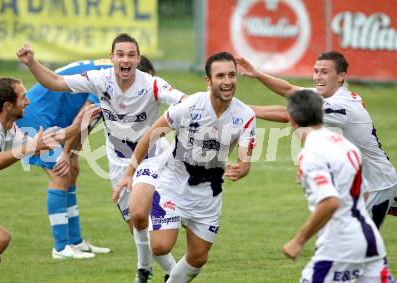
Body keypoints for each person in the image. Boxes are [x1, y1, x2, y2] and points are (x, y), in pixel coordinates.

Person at [16, 34, 184, 282]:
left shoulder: (152, 84)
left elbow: (184, 101)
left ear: (138, 60)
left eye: (131, 55)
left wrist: (206, 107)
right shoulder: (102, 80)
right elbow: (63, 93)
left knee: (139, 215)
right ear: (112, 58)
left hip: (150, 160)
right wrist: (31, 62)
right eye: (120, 55)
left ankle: (162, 272)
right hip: (99, 152)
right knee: (134, 223)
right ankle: (147, 268)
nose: (126, 61)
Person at [116, 51, 256, 283]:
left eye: (232, 75)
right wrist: (129, 173)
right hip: (174, 181)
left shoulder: (246, 116)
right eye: (220, 76)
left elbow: (245, 161)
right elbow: (151, 135)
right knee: (161, 246)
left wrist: (241, 169)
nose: (228, 81)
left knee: (198, 257)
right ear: (208, 81)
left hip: (209, 191)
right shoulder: (190, 106)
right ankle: (144, 264)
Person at [237, 51, 397, 228]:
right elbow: (289, 90)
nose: (317, 77)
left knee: (356, 243)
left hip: (377, 185)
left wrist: (240, 109)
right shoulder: (328, 95)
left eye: (324, 72)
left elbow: (288, 114)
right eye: (315, 71)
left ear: (341, 76)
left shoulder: (341, 105)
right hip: (369, 179)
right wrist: (257, 74)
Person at [16, 56, 153, 260]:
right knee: (60, 176)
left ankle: (76, 242)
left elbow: (87, 121)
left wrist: (72, 153)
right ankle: (61, 248)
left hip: (50, 115)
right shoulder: (112, 81)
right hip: (37, 118)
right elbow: (86, 114)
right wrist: (65, 154)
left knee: (71, 171)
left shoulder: (112, 70)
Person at [0, 77, 88, 283]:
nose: (28, 101)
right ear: (8, 105)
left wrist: (78, 125)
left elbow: (44, 141)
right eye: (23, 97)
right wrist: (29, 148)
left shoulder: (10, 130)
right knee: (0, 238)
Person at [282, 89, 394, 282]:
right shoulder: (345, 144)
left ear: (291, 120)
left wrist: (298, 240)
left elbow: (330, 202)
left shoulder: (311, 153)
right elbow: (364, 194)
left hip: (341, 243)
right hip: (370, 238)